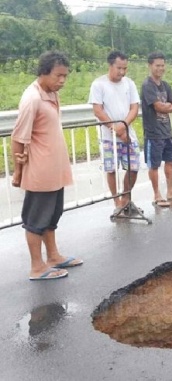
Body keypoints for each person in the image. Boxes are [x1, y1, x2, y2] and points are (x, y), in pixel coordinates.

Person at [11, 51, 84, 281]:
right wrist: (18, 171)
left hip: (55, 170)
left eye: (65, 76)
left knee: (52, 216)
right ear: (44, 72)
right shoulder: (32, 98)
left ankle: (53, 256)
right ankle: (37, 267)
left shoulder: (50, 94)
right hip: (40, 172)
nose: (62, 81)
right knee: (36, 220)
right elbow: (18, 137)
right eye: (58, 76)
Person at [88, 50, 141, 215]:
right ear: (110, 65)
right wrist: (115, 129)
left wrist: (124, 126)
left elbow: (134, 107)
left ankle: (125, 198)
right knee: (111, 169)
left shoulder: (129, 83)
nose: (122, 72)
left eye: (125, 68)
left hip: (128, 133)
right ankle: (116, 201)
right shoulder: (99, 84)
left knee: (134, 166)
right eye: (119, 68)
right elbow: (98, 110)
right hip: (108, 137)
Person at [140, 52, 172, 207]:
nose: (160, 68)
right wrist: (167, 107)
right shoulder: (147, 86)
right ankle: (157, 195)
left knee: (170, 161)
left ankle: (171, 190)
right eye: (157, 65)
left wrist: (167, 107)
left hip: (167, 131)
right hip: (153, 133)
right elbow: (158, 106)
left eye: (162, 65)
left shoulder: (165, 85)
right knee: (154, 165)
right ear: (150, 66)